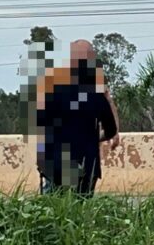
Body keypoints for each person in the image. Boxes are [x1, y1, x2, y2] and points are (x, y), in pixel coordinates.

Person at [36, 39, 118, 197]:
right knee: (80, 214)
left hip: (56, 166)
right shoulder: (96, 94)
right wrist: (96, 138)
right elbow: (111, 129)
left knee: (52, 214)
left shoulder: (52, 91)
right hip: (87, 167)